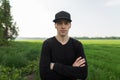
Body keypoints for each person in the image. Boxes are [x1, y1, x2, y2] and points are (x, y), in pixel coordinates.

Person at [39, 11, 88, 80]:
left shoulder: (77, 45)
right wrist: (72, 69)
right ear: (55, 25)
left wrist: (55, 66)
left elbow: (83, 74)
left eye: (66, 23)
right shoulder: (47, 44)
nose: (63, 26)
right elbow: (44, 75)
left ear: (70, 25)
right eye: (59, 23)